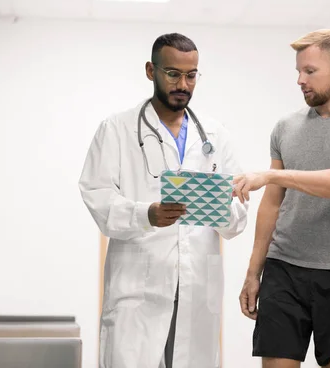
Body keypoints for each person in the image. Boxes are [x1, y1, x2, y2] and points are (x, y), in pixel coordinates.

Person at [79, 33, 248, 368]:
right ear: (150, 71)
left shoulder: (215, 135)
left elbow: (238, 213)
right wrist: (147, 215)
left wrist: (219, 207)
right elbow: (96, 195)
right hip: (138, 287)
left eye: (191, 75)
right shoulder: (116, 129)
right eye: (173, 74)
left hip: (197, 284)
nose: (183, 84)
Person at [234, 29, 330, 368]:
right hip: (284, 270)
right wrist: (253, 272)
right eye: (298, 71)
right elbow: (272, 204)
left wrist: (273, 175)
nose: (300, 80)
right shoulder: (285, 128)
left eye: (309, 71)